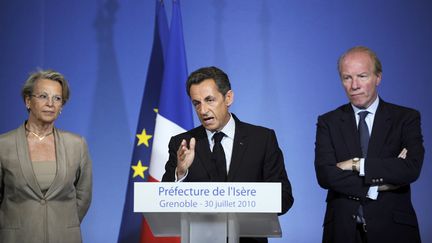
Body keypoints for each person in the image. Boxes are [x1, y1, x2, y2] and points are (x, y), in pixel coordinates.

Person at [162, 66, 293, 243]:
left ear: (228, 97)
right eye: (196, 103)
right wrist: (180, 172)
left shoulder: (261, 139)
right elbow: (163, 202)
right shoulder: (183, 144)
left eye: (210, 100)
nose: (203, 110)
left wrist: (247, 204)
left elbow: (284, 197)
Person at [314, 46, 424, 243]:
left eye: (362, 76)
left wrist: (355, 164)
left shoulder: (405, 118)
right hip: (342, 231)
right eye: (347, 78)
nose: (354, 85)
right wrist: (378, 185)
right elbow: (326, 175)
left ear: (378, 78)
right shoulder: (328, 122)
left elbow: (410, 169)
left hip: (394, 231)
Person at [0, 70, 92, 243]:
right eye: (43, 96)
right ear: (28, 101)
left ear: (61, 107)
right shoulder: (3, 145)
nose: (50, 103)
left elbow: (83, 196)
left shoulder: (77, 144)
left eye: (57, 98)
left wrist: (62, 223)